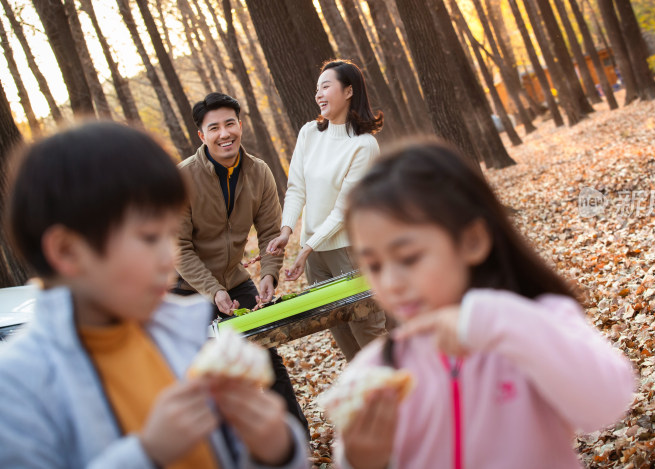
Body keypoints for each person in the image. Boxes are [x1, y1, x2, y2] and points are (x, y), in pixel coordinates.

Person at [0, 122, 309, 469]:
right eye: (149, 238)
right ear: (68, 251)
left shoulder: (184, 338)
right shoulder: (15, 387)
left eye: (169, 236)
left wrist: (274, 448)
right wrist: (148, 453)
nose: (169, 258)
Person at [333, 141, 637, 469]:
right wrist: (359, 459)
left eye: (408, 258)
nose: (391, 282)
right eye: (374, 266)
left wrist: (492, 322)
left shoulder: (531, 322)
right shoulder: (379, 371)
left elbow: (607, 402)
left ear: (472, 241)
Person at [172, 92, 308, 431]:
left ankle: (296, 441)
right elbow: (178, 247)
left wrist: (269, 275)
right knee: (208, 373)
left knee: (266, 355)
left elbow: (269, 234)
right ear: (202, 136)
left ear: (240, 126)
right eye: (214, 127)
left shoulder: (259, 172)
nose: (224, 134)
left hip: (235, 278)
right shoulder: (183, 179)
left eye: (230, 124)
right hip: (185, 288)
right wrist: (212, 291)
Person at [266, 60, 388, 362]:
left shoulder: (363, 145)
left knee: (369, 333)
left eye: (326, 86)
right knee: (343, 335)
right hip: (314, 255)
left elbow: (342, 210)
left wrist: (305, 249)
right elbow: (296, 188)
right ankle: (369, 400)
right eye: (316, 88)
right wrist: (286, 231)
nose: (319, 94)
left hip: (348, 251)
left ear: (348, 91)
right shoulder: (309, 133)